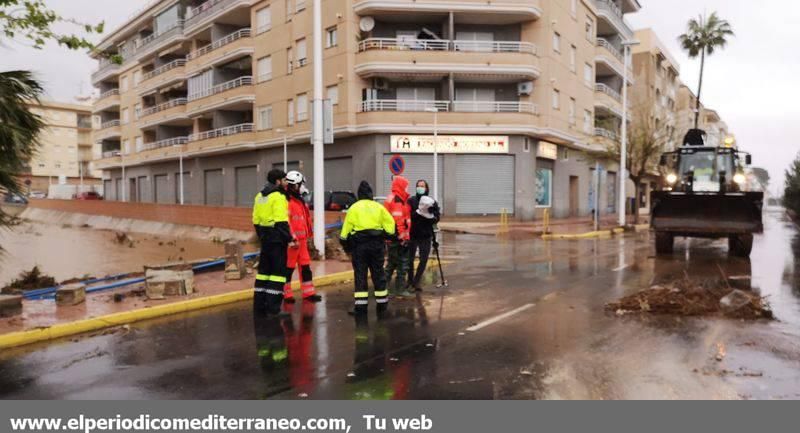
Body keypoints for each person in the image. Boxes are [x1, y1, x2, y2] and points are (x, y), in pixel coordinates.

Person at [340, 181, 396, 316]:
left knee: (360, 275)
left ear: (359, 194)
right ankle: (382, 305)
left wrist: (347, 246)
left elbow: (344, 233)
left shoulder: (354, 208)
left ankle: (361, 308)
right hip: (376, 246)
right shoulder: (378, 207)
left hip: (360, 247)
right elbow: (391, 226)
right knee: (378, 273)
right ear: (371, 193)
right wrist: (384, 236)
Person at [252, 169, 292, 316]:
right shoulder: (278, 197)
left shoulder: (259, 196)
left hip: (265, 239)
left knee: (263, 273)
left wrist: (262, 235)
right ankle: (273, 309)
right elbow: (281, 221)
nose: (286, 183)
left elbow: (255, 220)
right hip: (277, 240)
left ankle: (260, 306)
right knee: (278, 274)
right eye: (284, 180)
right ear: (277, 181)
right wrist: (289, 238)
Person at [283, 171, 322, 304]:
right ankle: (286, 295)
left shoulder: (299, 201)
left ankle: (308, 293)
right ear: (294, 185)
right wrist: (291, 238)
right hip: (293, 242)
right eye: (300, 185)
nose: (302, 187)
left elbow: (305, 220)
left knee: (305, 267)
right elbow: (286, 222)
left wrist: (308, 236)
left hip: (302, 241)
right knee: (288, 268)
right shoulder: (287, 202)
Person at [383, 176, 413, 297]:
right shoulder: (397, 199)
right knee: (401, 263)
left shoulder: (397, 198)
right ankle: (399, 289)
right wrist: (403, 237)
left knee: (392, 263)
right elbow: (398, 219)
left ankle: (382, 289)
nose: (407, 188)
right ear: (401, 186)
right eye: (406, 186)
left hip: (393, 236)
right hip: (397, 237)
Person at [408, 180, 440, 291]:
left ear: (427, 188)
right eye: (418, 186)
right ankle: (410, 281)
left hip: (426, 235)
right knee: (410, 259)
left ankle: (416, 281)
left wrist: (432, 214)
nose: (420, 188)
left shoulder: (432, 202)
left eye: (422, 186)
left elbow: (437, 218)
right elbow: (409, 216)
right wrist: (418, 212)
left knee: (423, 259)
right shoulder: (411, 201)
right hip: (413, 234)